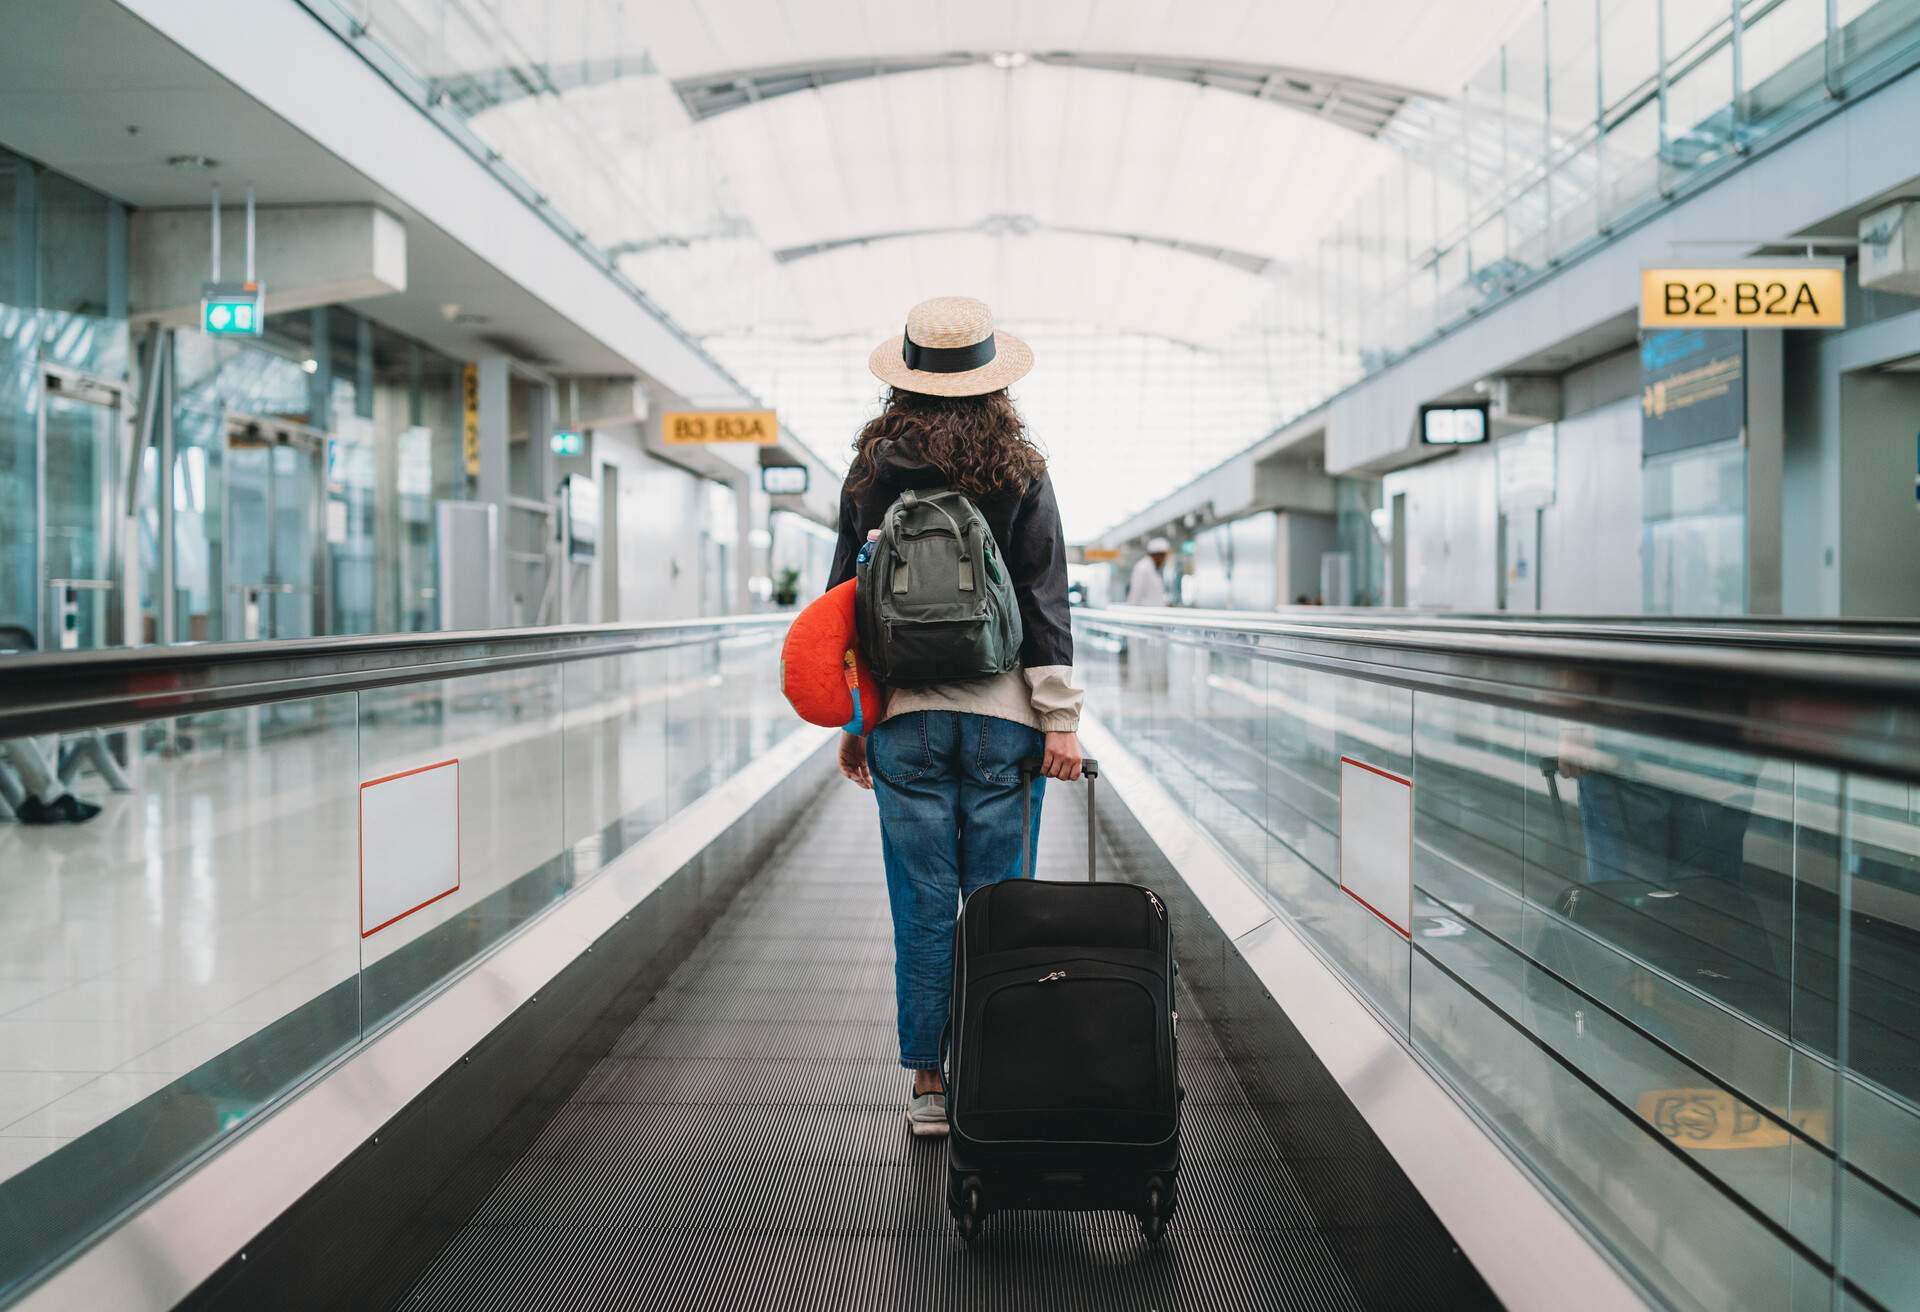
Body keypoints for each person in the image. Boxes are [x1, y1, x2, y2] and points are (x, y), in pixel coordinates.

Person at [829, 295, 1084, 1140]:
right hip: (1006, 724)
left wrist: (856, 719)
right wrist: (1059, 721)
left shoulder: (871, 473)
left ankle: (930, 1086)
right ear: (991, 384)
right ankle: (1000, 1069)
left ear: (903, 383)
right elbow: (1046, 600)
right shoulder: (1018, 469)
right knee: (1000, 902)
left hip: (905, 722)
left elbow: (844, 609)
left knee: (922, 900)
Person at [1127, 537, 1171, 606]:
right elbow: (1135, 593)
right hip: (1145, 612)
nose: (1164, 559)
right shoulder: (1142, 568)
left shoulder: (1154, 568)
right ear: (1156, 555)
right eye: (1163, 555)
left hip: (1153, 612)